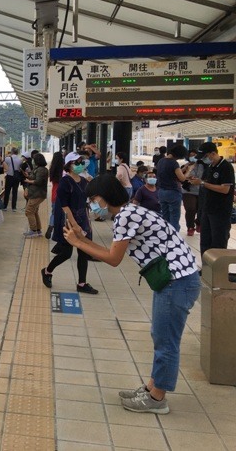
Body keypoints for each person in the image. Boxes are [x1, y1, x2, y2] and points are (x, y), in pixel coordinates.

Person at [63, 174, 200, 415]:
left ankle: (157, 399)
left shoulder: (126, 216)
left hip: (177, 281)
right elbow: (110, 251)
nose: (92, 204)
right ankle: (151, 388)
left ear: (105, 198)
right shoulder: (130, 212)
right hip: (176, 280)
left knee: (166, 341)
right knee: (160, 335)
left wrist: (79, 243)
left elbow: (113, 259)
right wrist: (82, 240)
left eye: (94, 199)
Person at [40, 152, 98, 295]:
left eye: (80, 162)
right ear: (69, 165)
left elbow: (88, 198)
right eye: (76, 163)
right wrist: (74, 224)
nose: (79, 165)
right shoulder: (65, 182)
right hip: (69, 221)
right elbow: (64, 206)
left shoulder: (84, 181)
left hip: (83, 220)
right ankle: (47, 271)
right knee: (66, 253)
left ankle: (82, 283)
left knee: (83, 252)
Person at [189, 142, 235, 256]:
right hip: (207, 209)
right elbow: (206, 183)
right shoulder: (209, 167)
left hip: (220, 212)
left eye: (205, 157)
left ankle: (218, 272)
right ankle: (206, 270)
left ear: (213, 153)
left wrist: (202, 183)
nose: (204, 160)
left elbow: (225, 189)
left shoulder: (226, 167)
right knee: (205, 242)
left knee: (218, 242)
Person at [155, 144, 188, 231]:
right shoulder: (174, 162)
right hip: (173, 192)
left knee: (165, 217)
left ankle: (166, 235)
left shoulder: (161, 161)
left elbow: (169, 173)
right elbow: (182, 178)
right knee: (174, 217)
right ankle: (174, 237)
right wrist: (189, 170)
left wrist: (182, 169)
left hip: (161, 192)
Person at [23, 153, 48, 237]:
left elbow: (38, 181)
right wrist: (28, 176)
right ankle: (38, 230)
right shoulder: (38, 168)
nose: (32, 161)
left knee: (29, 211)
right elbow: (34, 177)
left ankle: (33, 230)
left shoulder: (42, 170)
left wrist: (28, 181)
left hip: (37, 194)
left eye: (34, 159)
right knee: (34, 211)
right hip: (35, 194)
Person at [181, 150, 204, 236]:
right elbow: (180, 177)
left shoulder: (203, 166)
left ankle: (199, 222)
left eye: (195, 155)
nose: (193, 157)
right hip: (188, 191)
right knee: (191, 208)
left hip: (201, 191)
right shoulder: (185, 166)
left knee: (201, 209)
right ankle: (190, 227)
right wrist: (188, 176)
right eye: (191, 155)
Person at [45, 151, 64, 239]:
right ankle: (58, 231)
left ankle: (51, 225)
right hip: (62, 195)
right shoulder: (64, 169)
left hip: (54, 194)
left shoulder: (52, 169)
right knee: (62, 215)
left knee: (54, 212)